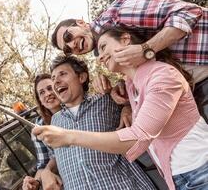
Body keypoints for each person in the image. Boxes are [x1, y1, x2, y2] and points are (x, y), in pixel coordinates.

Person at [33, 28, 208, 190]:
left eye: (103, 47)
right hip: (178, 178)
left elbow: (138, 137)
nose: (100, 57)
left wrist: (69, 136)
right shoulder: (131, 88)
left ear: (125, 39)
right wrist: (125, 104)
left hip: (201, 169)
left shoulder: (162, 75)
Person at [51, 0, 208, 122]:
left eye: (67, 36)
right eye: (67, 49)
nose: (72, 45)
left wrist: (146, 49)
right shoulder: (105, 50)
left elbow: (190, 12)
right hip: (194, 87)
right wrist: (122, 89)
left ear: (80, 23)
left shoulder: (118, 13)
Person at [34, 55, 156, 190]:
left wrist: (126, 106)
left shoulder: (106, 100)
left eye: (62, 74)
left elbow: (135, 95)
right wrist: (46, 172)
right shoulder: (54, 123)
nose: (56, 82)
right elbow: (54, 156)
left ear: (81, 77)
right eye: (53, 78)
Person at [22, 73, 62, 190]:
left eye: (50, 88)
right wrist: (36, 181)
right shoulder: (38, 126)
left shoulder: (75, 108)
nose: (48, 94)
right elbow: (44, 163)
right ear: (40, 100)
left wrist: (47, 170)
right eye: (42, 92)